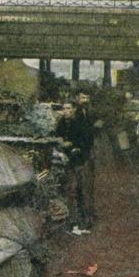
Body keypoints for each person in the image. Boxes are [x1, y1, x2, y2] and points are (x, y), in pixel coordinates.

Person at [54, 101, 91, 230]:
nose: (65, 111)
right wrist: (60, 140)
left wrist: (74, 146)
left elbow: (86, 141)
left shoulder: (80, 123)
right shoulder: (61, 122)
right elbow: (57, 135)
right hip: (67, 158)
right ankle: (71, 219)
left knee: (81, 189)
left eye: (68, 108)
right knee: (70, 188)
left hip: (79, 159)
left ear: (74, 109)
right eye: (63, 108)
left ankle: (85, 220)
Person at [73, 90, 101, 228]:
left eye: (87, 97)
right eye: (83, 97)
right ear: (77, 99)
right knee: (80, 184)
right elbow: (80, 132)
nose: (85, 100)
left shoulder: (87, 112)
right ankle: (82, 215)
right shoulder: (75, 113)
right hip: (79, 153)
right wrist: (93, 127)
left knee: (87, 183)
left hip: (87, 151)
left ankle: (87, 212)